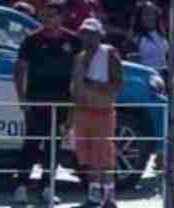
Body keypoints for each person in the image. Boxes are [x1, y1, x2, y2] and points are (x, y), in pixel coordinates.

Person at [14, 0, 79, 205]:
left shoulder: (73, 41)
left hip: (62, 101)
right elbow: (20, 69)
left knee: (54, 146)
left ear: (61, 17)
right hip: (37, 99)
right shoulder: (32, 40)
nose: (47, 19)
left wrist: (74, 103)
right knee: (31, 144)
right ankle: (21, 187)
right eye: (45, 15)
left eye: (52, 15)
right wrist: (22, 98)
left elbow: (78, 74)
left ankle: (47, 187)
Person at [71, 17, 123, 208]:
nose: (87, 38)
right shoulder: (79, 57)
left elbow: (118, 83)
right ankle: (93, 195)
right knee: (87, 156)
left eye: (91, 34)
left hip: (102, 111)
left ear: (99, 35)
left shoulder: (109, 54)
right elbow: (75, 87)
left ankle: (109, 197)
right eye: (84, 33)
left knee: (104, 155)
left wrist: (97, 86)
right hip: (82, 111)